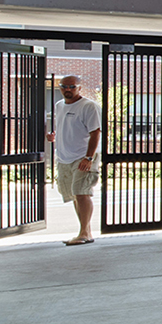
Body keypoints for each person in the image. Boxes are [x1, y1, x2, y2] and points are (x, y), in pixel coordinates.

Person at [46, 75, 101, 246]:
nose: (67, 89)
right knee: (75, 196)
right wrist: (54, 136)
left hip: (83, 157)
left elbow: (96, 132)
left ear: (79, 88)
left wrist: (89, 157)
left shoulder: (89, 106)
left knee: (81, 192)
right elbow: (66, 126)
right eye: (64, 86)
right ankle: (86, 232)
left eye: (72, 86)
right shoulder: (59, 106)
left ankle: (83, 233)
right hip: (64, 158)